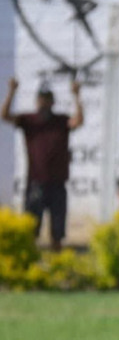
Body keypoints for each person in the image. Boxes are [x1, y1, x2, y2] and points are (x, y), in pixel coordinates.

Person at [1, 77, 84, 251]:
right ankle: (30, 269)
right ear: (37, 100)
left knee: (57, 233)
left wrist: (77, 96)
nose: (44, 102)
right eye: (41, 98)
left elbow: (78, 121)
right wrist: (12, 92)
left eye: (47, 99)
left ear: (52, 101)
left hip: (57, 184)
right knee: (30, 231)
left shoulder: (61, 121)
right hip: (36, 183)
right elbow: (5, 116)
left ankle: (57, 268)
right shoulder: (29, 121)